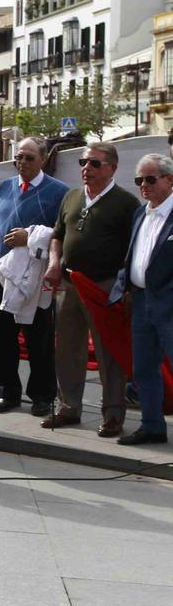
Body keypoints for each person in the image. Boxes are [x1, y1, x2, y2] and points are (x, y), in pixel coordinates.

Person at [42, 142, 139, 435]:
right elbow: (57, 235)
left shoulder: (126, 203)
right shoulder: (72, 197)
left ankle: (112, 414)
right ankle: (68, 407)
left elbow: (134, 248)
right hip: (71, 283)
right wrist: (54, 262)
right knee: (68, 349)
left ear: (112, 168)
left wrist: (122, 288)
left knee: (109, 352)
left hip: (105, 286)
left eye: (95, 164)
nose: (87, 169)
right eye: (84, 162)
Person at [0, 137, 68, 417]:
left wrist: (28, 237)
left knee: (38, 338)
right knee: (2, 337)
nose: (22, 163)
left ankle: (42, 395)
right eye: (18, 157)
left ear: (43, 159)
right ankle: (8, 392)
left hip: (34, 277)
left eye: (29, 157)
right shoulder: (6, 186)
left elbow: (60, 234)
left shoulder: (59, 192)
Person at [109, 153, 173, 445]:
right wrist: (124, 287)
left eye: (150, 179)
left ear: (170, 180)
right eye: (139, 180)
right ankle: (152, 426)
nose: (143, 185)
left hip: (169, 305)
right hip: (141, 303)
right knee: (144, 369)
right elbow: (132, 256)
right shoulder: (140, 213)